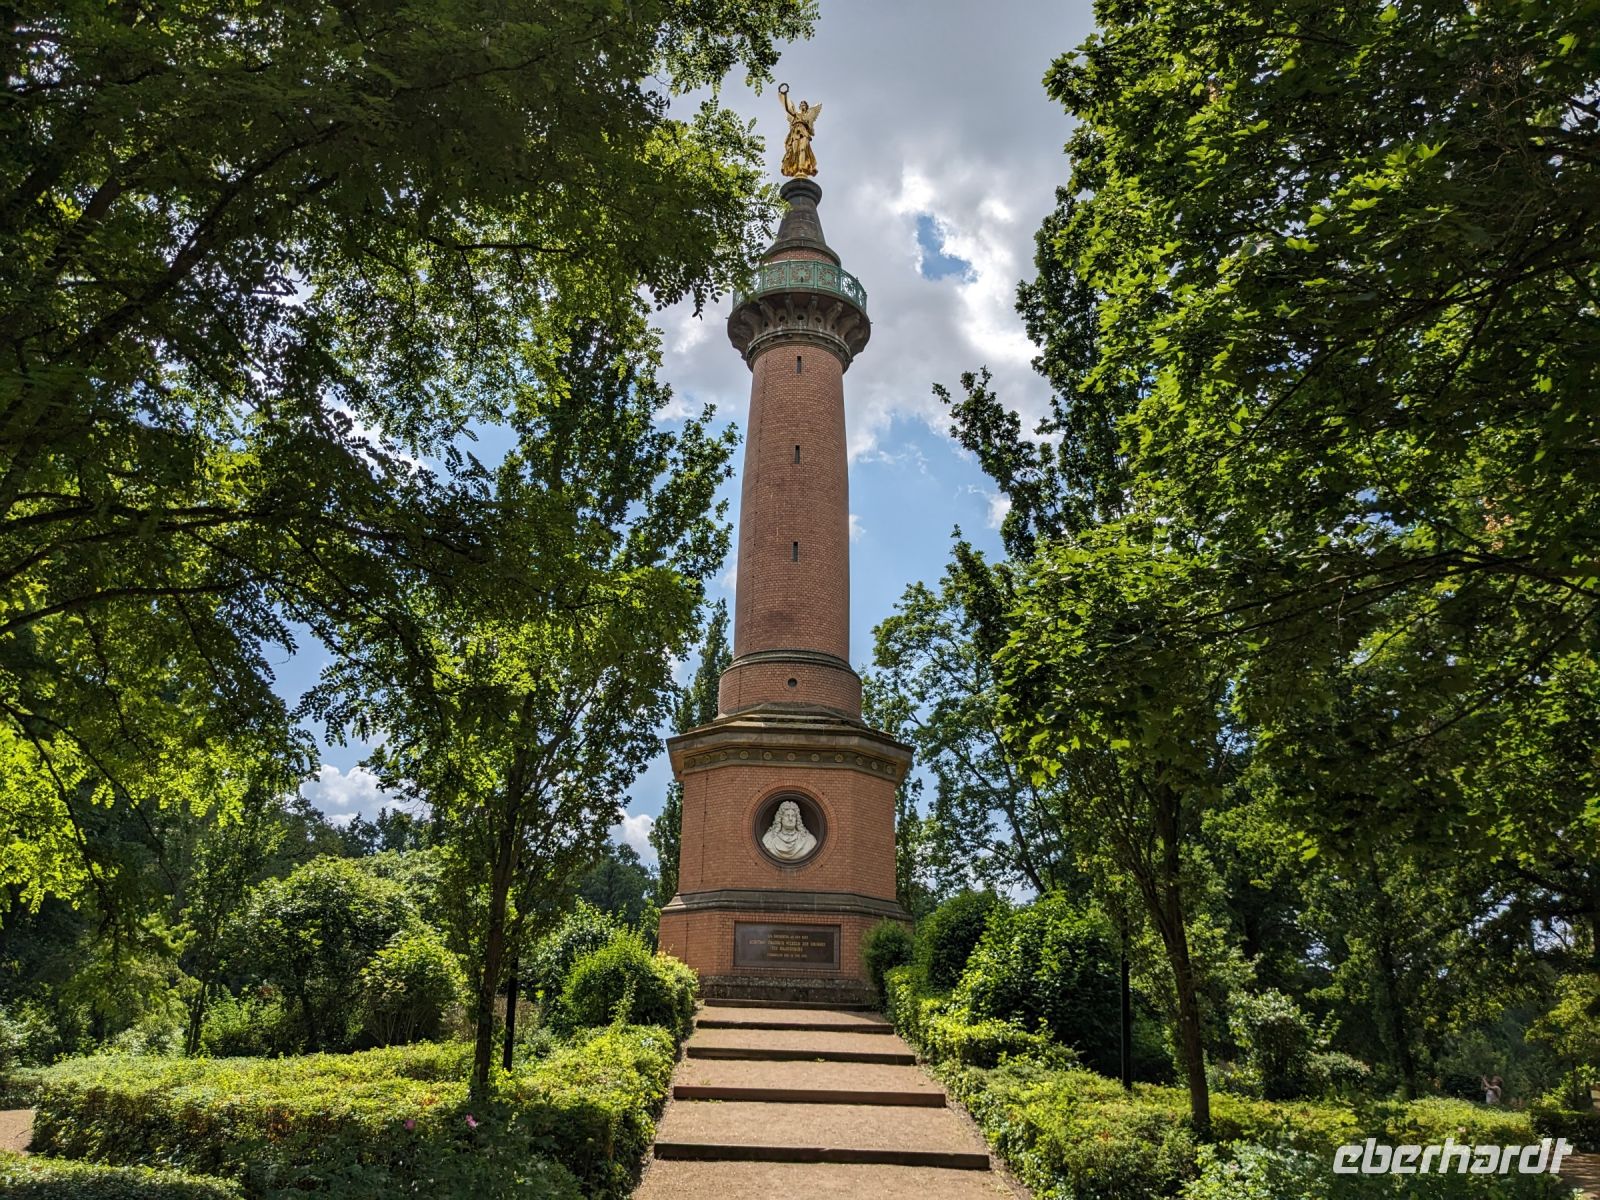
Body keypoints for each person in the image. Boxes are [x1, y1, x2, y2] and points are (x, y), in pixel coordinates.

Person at [779, 84, 821, 178]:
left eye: (804, 105)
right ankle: (796, 168)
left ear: (806, 107)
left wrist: (806, 125)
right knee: (795, 152)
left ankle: (801, 168)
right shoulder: (796, 114)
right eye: (801, 105)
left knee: (803, 149)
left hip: (804, 133)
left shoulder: (807, 118)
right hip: (795, 133)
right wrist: (785, 95)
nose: (803, 106)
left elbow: (811, 131)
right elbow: (787, 109)